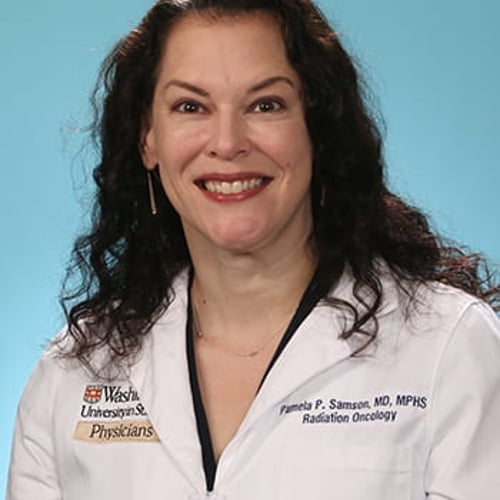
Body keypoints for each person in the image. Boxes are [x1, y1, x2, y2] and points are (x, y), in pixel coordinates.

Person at [7, 0, 500, 498]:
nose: (227, 143)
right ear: (147, 138)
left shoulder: (448, 349)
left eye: (265, 105)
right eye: (190, 107)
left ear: (317, 130)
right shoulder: (71, 374)